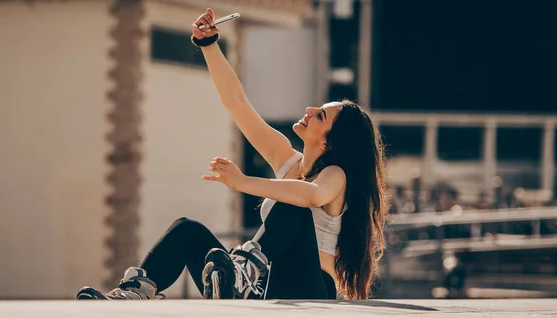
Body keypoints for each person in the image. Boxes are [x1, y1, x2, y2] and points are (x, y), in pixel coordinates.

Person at [76, 8, 388, 301]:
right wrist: (209, 45)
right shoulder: (288, 159)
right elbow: (237, 102)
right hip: (265, 287)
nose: (309, 110)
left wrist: (242, 182)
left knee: (294, 206)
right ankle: (132, 294)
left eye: (319, 115)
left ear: (328, 144)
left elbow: (310, 196)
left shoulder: (335, 175)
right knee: (187, 231)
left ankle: (240, 274)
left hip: (310, 289)